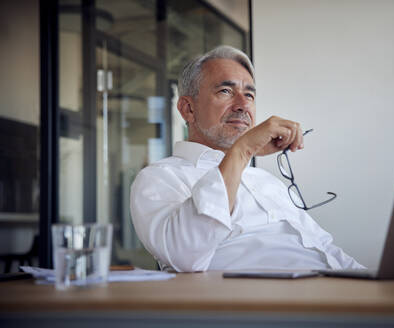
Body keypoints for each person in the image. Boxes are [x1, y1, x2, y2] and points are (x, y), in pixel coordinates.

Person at [130, 46, 364, 272]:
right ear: (188, 109)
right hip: (263, 304)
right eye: (226, 91)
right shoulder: (160, 177)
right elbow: (184, 256)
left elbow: (324, 248)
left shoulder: (265, 180)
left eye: (249, 95)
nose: (242, 105)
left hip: (332, 288)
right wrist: (243, 149)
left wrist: (373, 280)